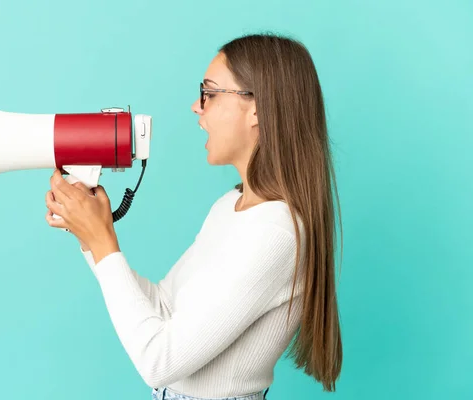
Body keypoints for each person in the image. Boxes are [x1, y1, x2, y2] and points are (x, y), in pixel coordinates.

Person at [44, 32, 343, 400]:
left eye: (210, 93)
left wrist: (102, 243)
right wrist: (91, 237)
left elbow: (159, 360)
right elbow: (164, 307)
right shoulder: (229, 208)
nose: (196, 107)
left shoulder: (276, 232)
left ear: (258, 109)